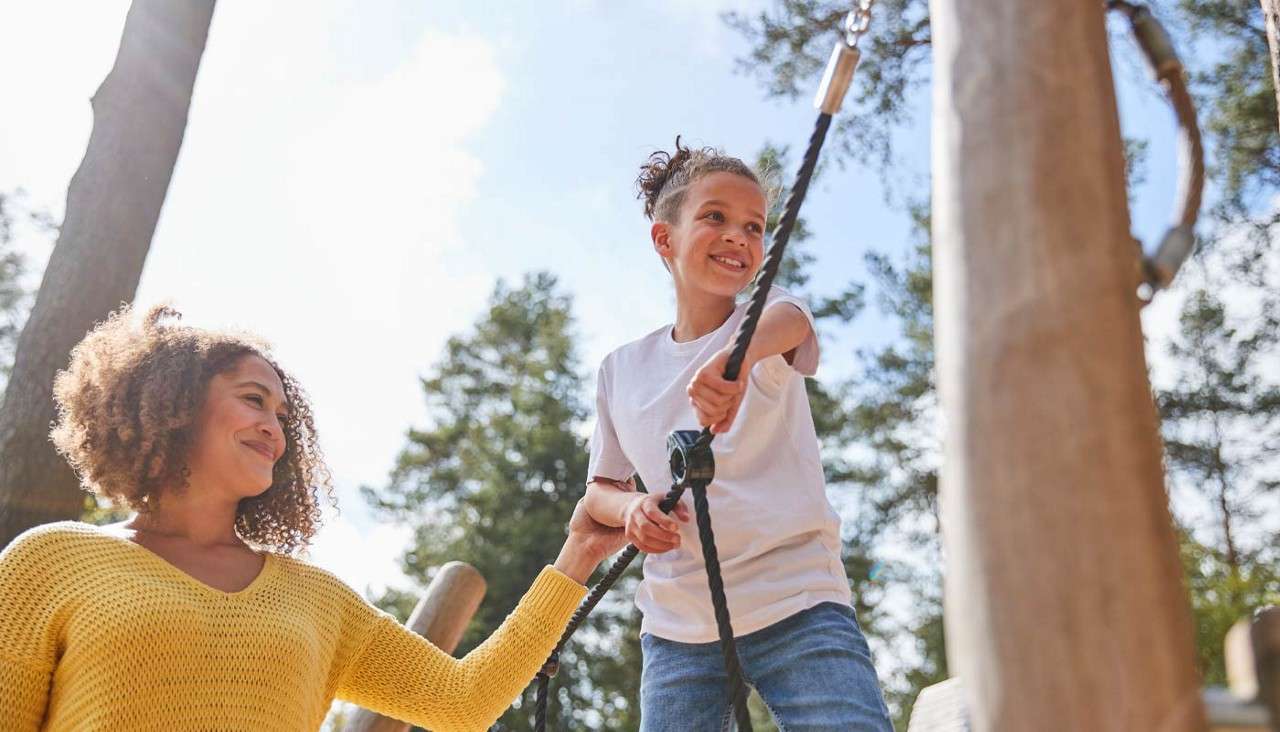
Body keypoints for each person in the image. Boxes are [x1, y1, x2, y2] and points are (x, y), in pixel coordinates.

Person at [0, 305, 624, 731]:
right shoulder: (51, 561)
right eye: (253, 401)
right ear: (173, 406)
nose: (274, 428)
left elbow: (462, 702)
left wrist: (577, 555)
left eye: (281, 415)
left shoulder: (316, 600)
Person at [582, 138, 894, 730]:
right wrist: (631, 509)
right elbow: (598, 489)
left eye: (754, 227)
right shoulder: (620, 370)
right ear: (664, 239)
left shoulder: (764, 319)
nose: (739, 237)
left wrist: (735, 361)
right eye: (715, 218)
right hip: (679, 627)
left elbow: (790, 321)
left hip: (797, 599)